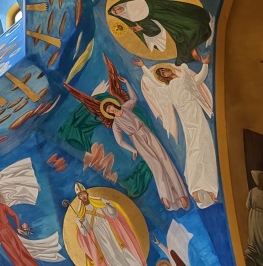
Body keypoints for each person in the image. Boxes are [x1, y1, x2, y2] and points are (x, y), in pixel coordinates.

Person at [137, 54, 219, 207]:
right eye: (161, 73)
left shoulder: (184, 78)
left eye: (164, 70)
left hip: (196, 112)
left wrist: (205, 64)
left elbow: (199, 79)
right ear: (162, 77)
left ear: (169, 69)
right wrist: (143, 67)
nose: (164, 73)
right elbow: (152, 84)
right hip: (186, 117)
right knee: (194, 147)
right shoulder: (166, 88)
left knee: (206, 145)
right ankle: (195, 187)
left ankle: (210, 188)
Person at [104, 80, 189, 210]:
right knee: (156, 165)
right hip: (137, 140)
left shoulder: (126, 107)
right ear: (109, 112)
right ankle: (165, 196)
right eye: (108, 110)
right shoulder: (116, 124)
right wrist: (132, 149)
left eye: (110, 106)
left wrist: (127, 83)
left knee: (164, 159)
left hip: (146, 132)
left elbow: (134, 98)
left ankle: (181, 194)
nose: (111, 109)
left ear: (113, 104)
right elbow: (119, 141)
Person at [108, 0, 214, 65]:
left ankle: (204, 24)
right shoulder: (133, 18)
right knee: (189, 28)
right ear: (119, 15)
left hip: (168, 6)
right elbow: (155, 29)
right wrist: (142, 28)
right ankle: (194, 49)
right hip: (165, 17)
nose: (118, 10)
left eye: (116, 8)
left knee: (194, 14)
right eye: (116, 12)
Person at [67, 183, 144, 266]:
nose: (83, 196)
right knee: (111, 254)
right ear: (79, 198)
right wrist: (80, 223)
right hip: (98, 234)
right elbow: (85, 232)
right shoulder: (82, 213)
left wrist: (108, 204)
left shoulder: (98, 202)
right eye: (80, 195)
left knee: (120, 248)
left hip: (109, 228)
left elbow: (113, 215)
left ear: (87, 193)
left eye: (83, 194)